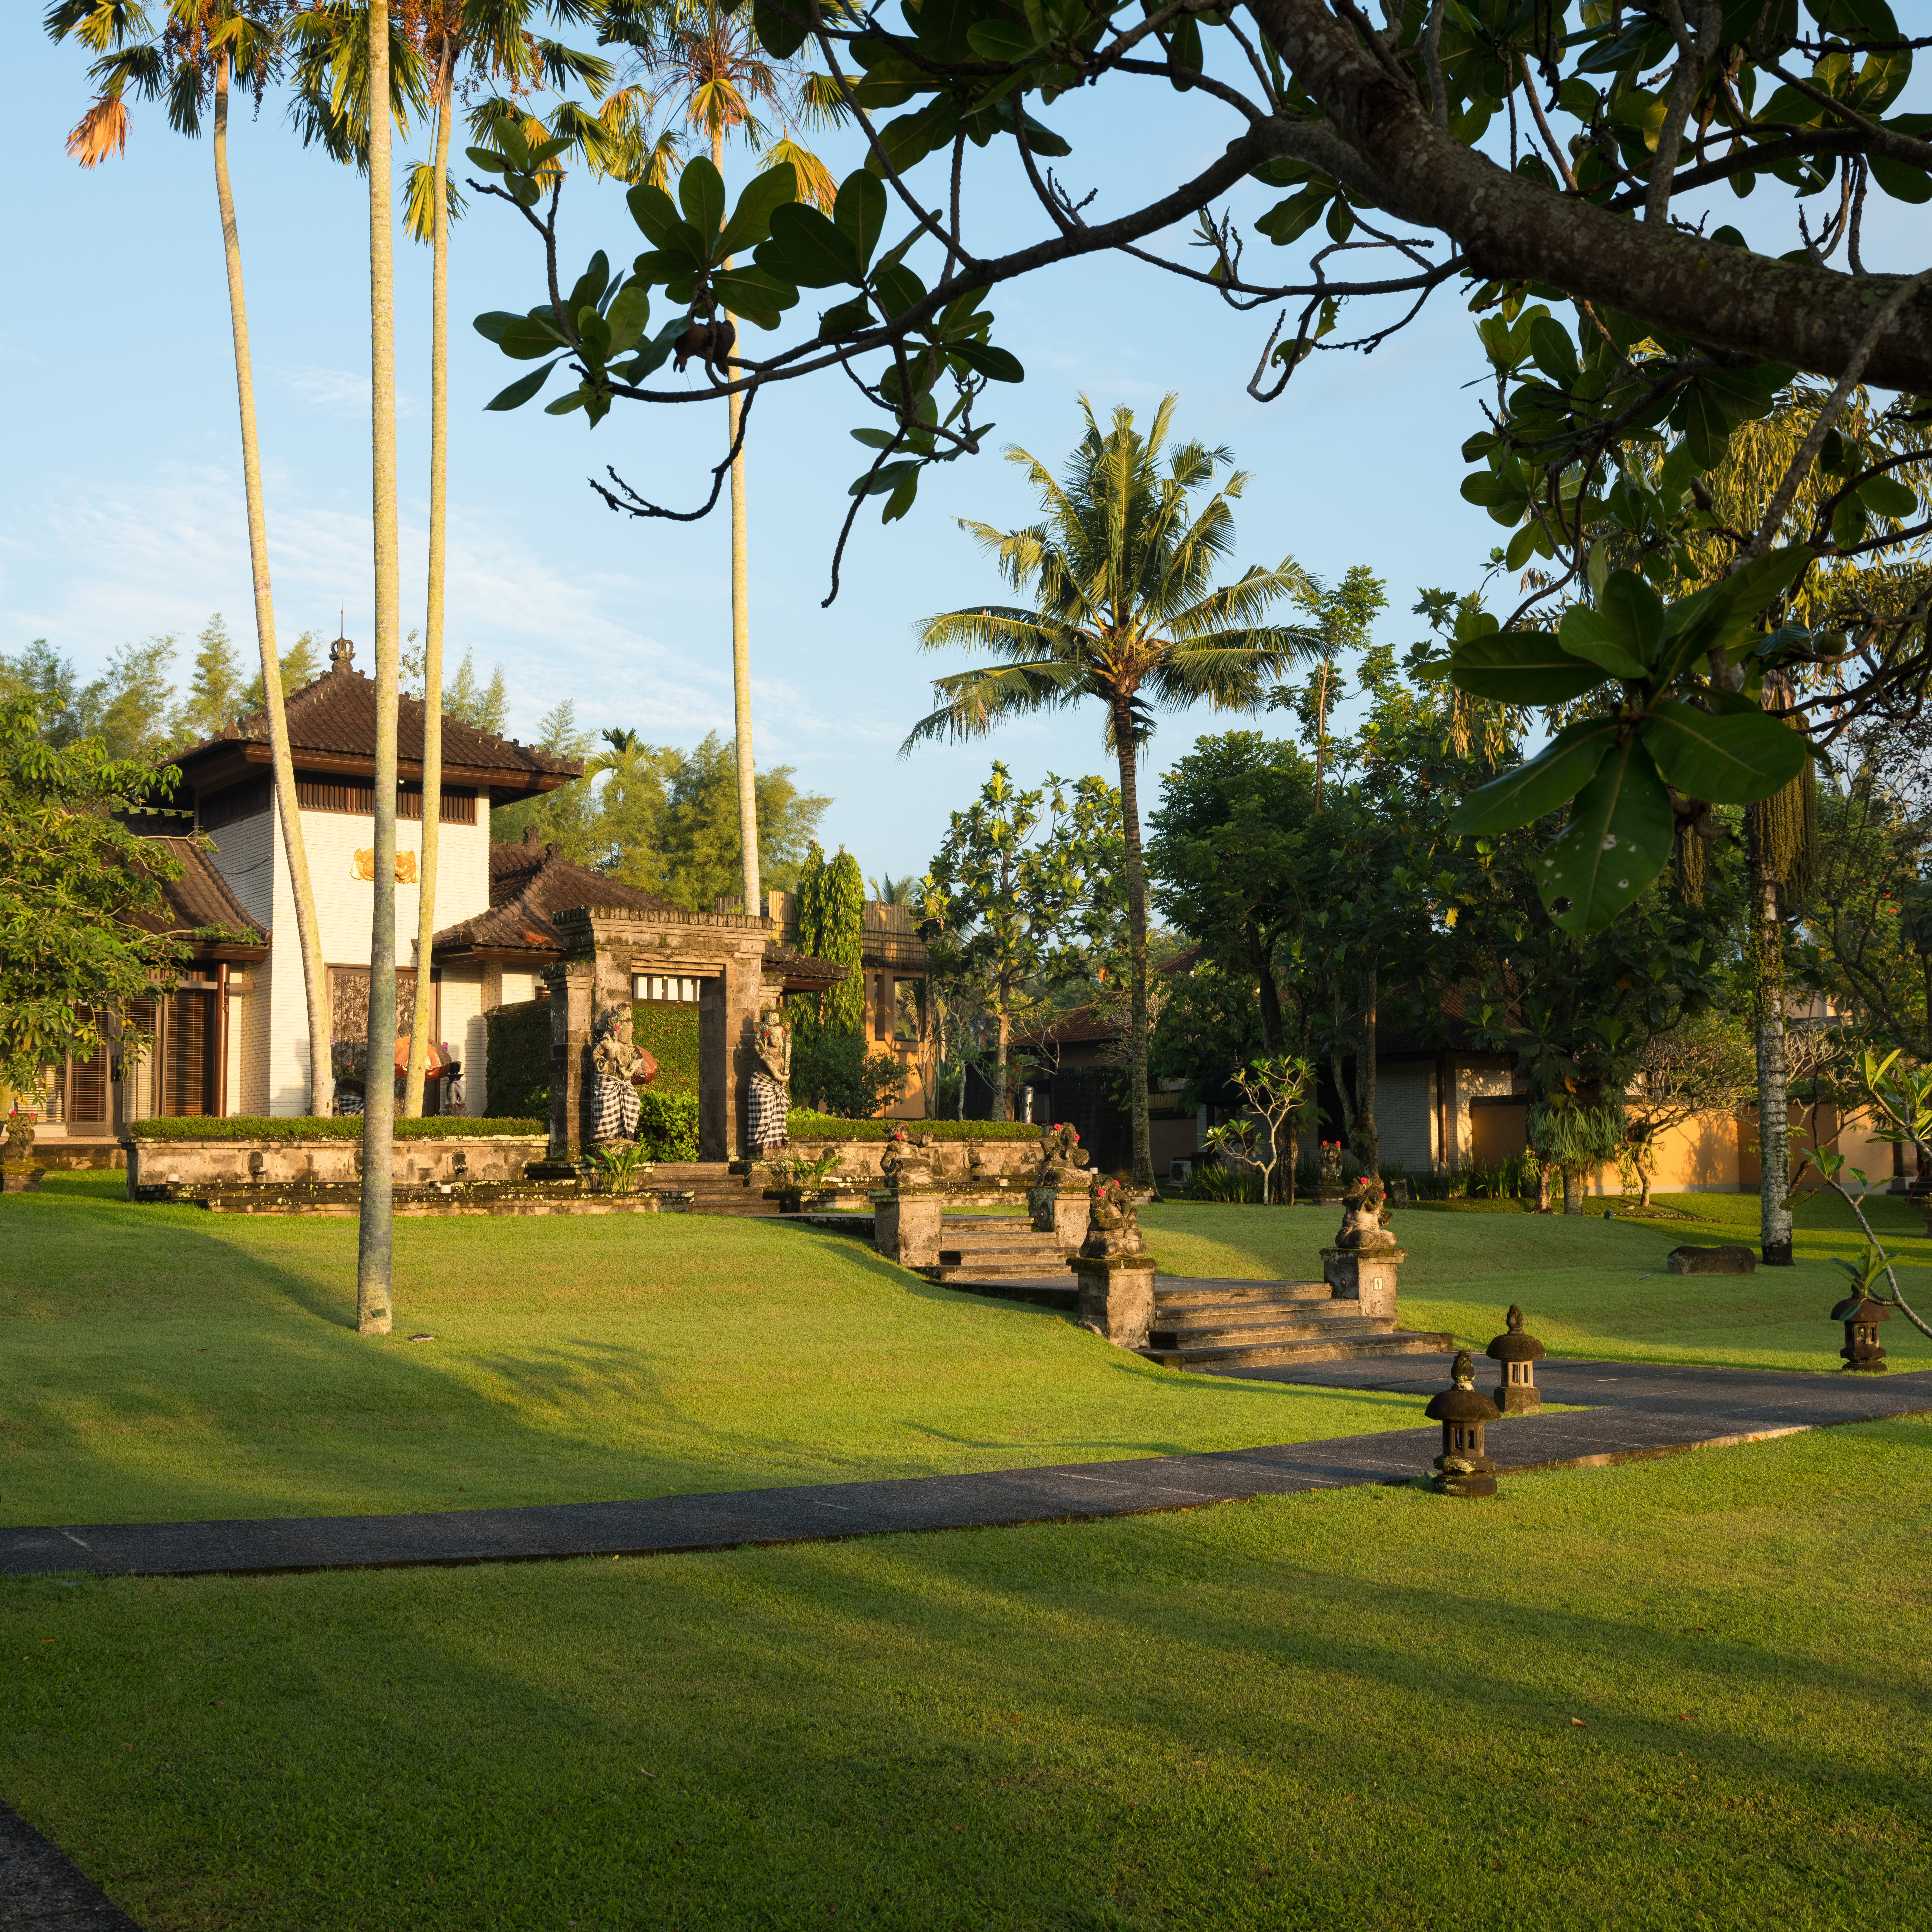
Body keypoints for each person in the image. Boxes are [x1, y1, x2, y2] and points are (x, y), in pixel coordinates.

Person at [591, 1004, 657, 1143]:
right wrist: (601, 1064)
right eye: (625, 1033)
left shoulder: (631, 1048)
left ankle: (625, 1135)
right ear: (617, 1030)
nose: (628, 1036)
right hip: (608, 1082)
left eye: (630, 1033)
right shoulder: (608, 1042)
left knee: (633, 1102)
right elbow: (596, 1054)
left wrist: (628, 1073)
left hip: (624, 1082)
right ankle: (607, 1136)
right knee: (607, 1103)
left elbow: (639, 1059)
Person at [749, 1006, 791, 1154]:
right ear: (767, 1036)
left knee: (783, 1104)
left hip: (776, 1085)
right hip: (761, 1085)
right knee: (765, 1104)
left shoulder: (783, 1051)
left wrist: (784, 1079)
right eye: (775, 1036)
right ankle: (760, 1145)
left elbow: (784, 1075)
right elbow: (775, 1071)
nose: (779, 1039)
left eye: (781, 1036)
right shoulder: (761, 1048)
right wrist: (783, 1078)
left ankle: (777, 1143)